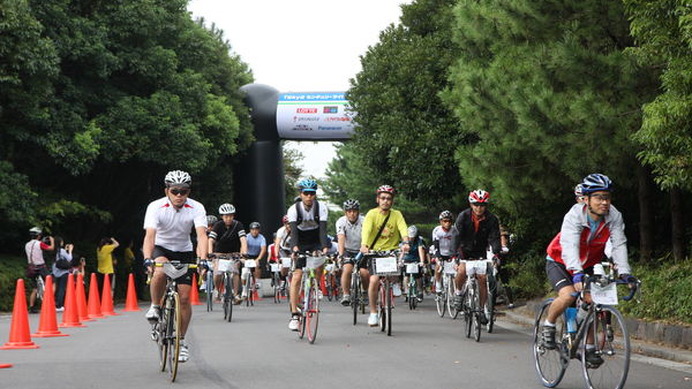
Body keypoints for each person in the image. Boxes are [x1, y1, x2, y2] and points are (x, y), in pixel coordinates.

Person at [542, 174, 636, 366]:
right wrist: (576, 272)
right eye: (599, 197)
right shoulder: (574, 215)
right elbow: (569, 246)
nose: (604, 202)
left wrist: (625, 273)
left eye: (607, 197)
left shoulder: (614, 215)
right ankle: (548, 326)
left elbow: (618, 244)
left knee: (594, 301)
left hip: (588, 264)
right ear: (586, 199)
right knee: (568, 295)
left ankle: (589, 348)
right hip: (559, 260)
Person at [143, 170, 208, 363]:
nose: (179, 195)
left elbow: (202, 236)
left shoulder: (196, 207)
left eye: (184, 191)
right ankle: (155, 306)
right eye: (175, 191)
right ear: (167, 191)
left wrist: (202, 259)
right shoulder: (155, 207)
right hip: (161, 248)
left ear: (189, 191)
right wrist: (147, 258)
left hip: (184, 251)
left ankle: (181, 341)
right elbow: (150, 236)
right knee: (161, 269)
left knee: (186, 298)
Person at [360, 185, 410, 327]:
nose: (385, 201)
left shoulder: (396, 214)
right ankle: (374, 313)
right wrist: (364, 245)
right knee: (374, 280)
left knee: (396, 266)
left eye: (388, 198)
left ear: (392, 201)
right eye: (382, 198)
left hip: (391, 251)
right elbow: (367, 230)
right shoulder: (371, 214)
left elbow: (403, 228)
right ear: (377, 199)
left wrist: (405, 242)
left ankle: (394, 282)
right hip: (374, 251)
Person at [451, 189, 501, 325]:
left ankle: (480, 309)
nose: (479, 208)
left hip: (480, 252)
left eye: (482, 205)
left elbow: (494, 238)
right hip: (464, 251)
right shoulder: (463, 216)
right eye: (476, 205)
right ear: (471, 204)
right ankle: (459, 293)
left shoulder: (492, 219)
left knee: (482, 278)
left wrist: (496, 254)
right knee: (461, 271)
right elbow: (456, 236)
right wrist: (455, 255)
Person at [286, 179, 330, 331]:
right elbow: (294, 233)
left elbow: (323, 231)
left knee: (320, 261)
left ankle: (315, 287)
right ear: (301, 194)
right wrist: (295, 249)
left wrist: (324, 248)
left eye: (312, 194)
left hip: (316, 238)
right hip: (301, 239)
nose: (309, 197)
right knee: (297, 276)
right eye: (306, 194)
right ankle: (294, 315)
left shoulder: (321, 207)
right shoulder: (293, 209)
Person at [208, 203, 247, 304]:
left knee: (235, 271)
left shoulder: (238, 225)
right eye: (226, 216)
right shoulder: (217, 225)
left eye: (230, 216)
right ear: (222, 217)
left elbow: (243, 240)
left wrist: (244, 253)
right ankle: (217, 290)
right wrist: (210, 253)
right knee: (217, 272)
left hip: (233, 253)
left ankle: (235, 294)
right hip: (219, 254)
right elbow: (211, 240)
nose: (228, 218)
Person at [336, 199, 365, 306]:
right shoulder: (341, 221)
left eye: (354, 211)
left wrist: (365, 248)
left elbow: (367, 236)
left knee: (364, 272)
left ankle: (365, 292)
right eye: (349, 211)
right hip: (348, 250)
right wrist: (341, 255)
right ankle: (346, 294)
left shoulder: (364, 221)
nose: (352, 214)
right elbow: (341, 238)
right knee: (347, 269)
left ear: (358, 211)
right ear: (345, 212)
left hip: (361, 250)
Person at [25, 227, 55, 313]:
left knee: (35, 288)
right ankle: (49, 302)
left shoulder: (27, 244)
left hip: (31, 267)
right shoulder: (39, 244)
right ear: (38, 236)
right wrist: (52, 240)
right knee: (52, 283)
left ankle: (31, 307)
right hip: (41, 267)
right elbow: (51, 248)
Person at [432, 210, 457, 294]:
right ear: (441, 222)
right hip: (440, 252)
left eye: (449, 221)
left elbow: (458, 244)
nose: (447, 223)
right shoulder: (437, 231)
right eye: (445, 221)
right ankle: (438, 283)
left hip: (451, 253)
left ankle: (455, 288)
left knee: (456, 270)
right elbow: (435, 245)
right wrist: (438, 257)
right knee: (438, 266)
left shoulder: (454, 230)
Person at [401, 225, 426, 302]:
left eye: (413, 237)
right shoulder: (404, 240)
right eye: (410, 237)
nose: (411, 238)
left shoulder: (419, 240)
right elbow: (402, 251)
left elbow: (420, 250)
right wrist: (400, 260)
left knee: (418, 276)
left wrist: (422, 261)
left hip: (416, 260)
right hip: (407, 259)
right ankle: (406, 290)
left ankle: (420, 291)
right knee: (406, 276)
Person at [244, 221, 267, 297]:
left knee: (257, 265)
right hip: (248, 255)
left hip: (256, 255)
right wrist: (245, 257)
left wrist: (258, 259)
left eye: (256, 229)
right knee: (244, 271)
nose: (254, 231)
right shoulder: (247, 237)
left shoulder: (261, 238)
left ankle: (257, 282)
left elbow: (263, 249)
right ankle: (244, 288)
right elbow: (244, 247)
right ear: (250, 230)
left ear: (259, 230)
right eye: (253, 229)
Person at [51, 237, 74, 311]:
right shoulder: (62, 251)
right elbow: (69, 258)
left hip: (55, 271)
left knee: (56, 288)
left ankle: (54, 304)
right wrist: (70, 251)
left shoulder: (53, 251)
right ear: (60, 242)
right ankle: (59, 305)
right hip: (63, 272)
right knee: (61, 288)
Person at [273, 215, 292, 288]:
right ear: (284, 224)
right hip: (283, 249)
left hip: (293, 249)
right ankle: (283, 279)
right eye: (287, 223)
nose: (289, 225)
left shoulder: (296, 230)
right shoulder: (281, 231)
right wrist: (276, 256)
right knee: (285, 265)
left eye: (290, 223)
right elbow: (277, 244)